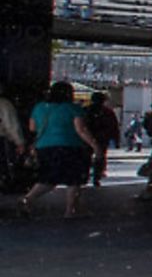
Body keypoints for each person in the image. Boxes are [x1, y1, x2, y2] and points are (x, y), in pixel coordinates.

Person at [22, 81, 102, 219]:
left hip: (44, 147)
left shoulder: (39, 107)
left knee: (47, 179)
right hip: (71, 147)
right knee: (74, 179)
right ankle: (70, 210)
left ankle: (27, 199)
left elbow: (32, 128)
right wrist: (96, 146)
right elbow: (81, 130)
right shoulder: (73, 108)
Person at [84, 92, 120, 187]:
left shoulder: (86, 110)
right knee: (100, 157)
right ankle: (96, 177)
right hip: (102, 138)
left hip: (87, 137)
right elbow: (114, 127)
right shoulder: (108, 112)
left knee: (86, 156)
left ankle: (85, 174)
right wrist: (116, 140)